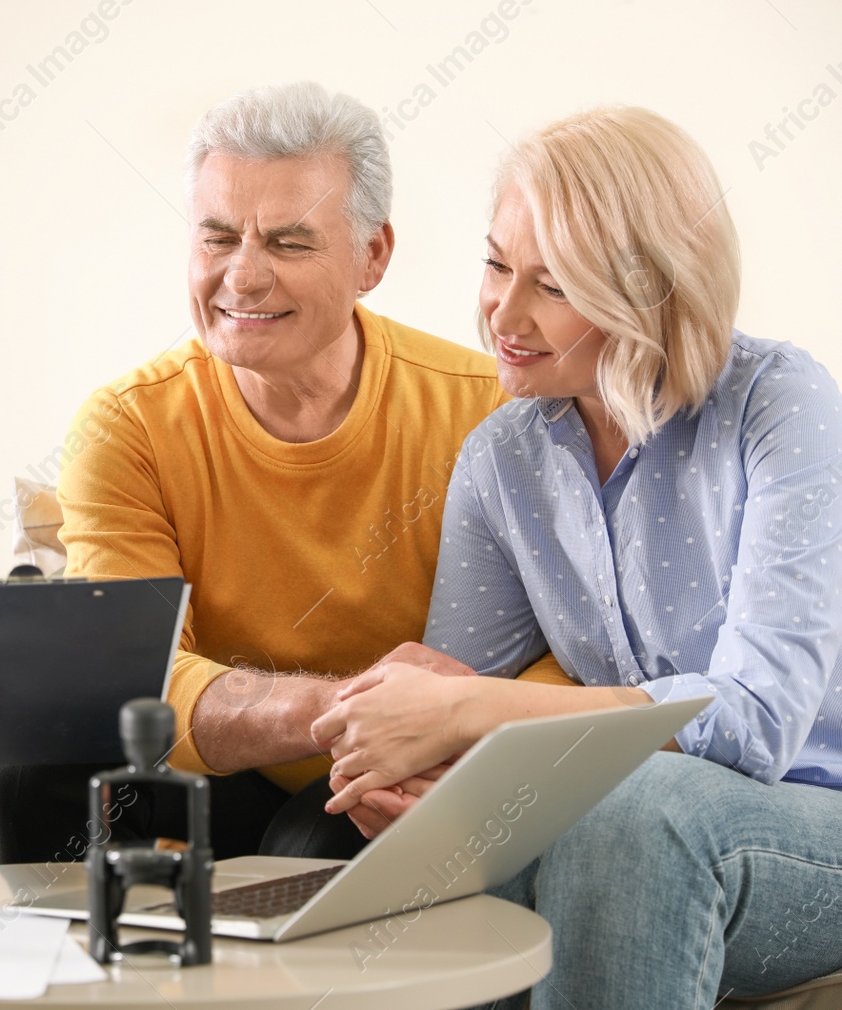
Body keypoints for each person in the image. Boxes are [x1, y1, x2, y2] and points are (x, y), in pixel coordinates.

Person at [311, 105, 842, 1007]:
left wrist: (468, 709)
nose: (502, 314)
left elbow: (753, 722)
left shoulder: (779, 405)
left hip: (807, 819)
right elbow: (455, 700)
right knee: (424, 872)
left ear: (651, 294)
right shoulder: (501, 459)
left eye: (553, 286)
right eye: (495, 264)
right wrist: (407, 770)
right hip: (634, 821)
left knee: (628, 814)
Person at [0, 81, 572, 866]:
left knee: (312, 838)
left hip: (415, 775)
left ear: (372, 256)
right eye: (218, 237)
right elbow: (140, 678)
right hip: (220, 771)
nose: (243, 276)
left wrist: (452, 743)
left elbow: (569, 651)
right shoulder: (128, 423)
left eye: (289, 243)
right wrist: (348, 709)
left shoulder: (489, 412)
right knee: (43, 761)